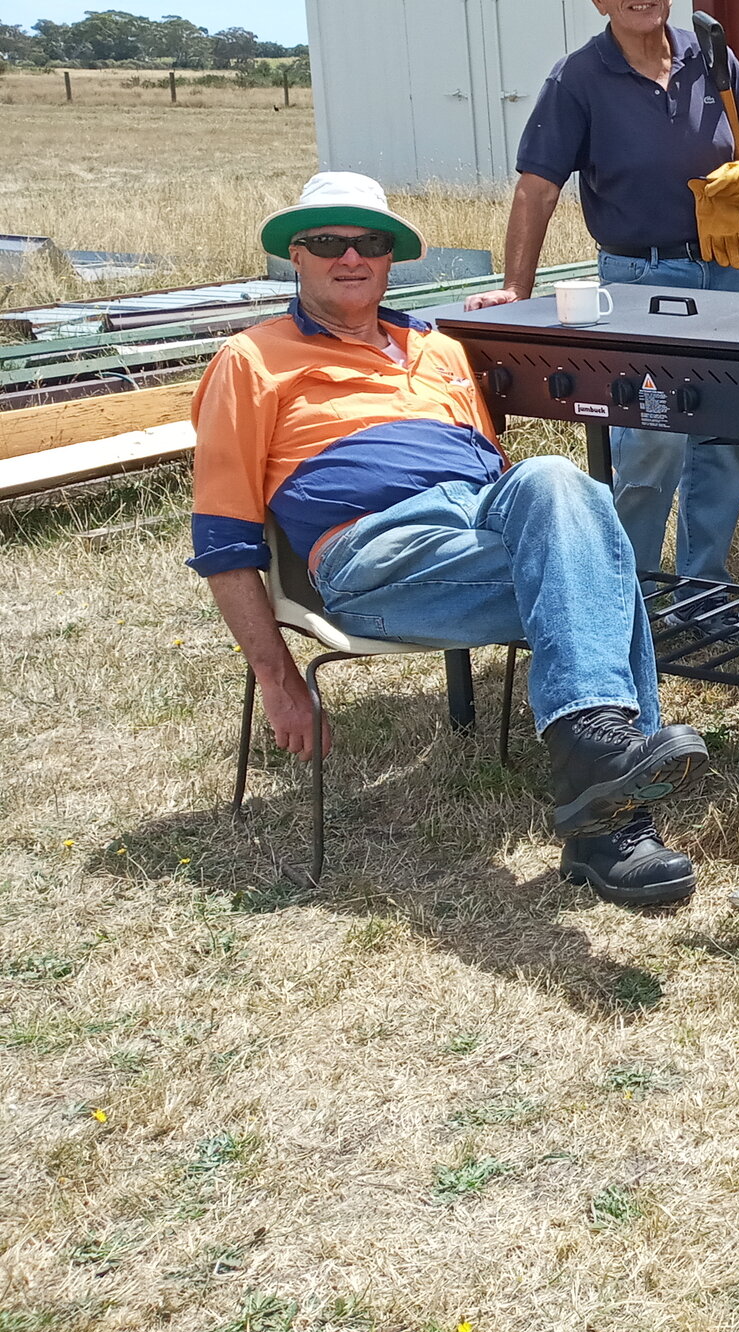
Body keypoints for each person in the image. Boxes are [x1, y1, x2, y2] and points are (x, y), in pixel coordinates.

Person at [191, 173, 709, 907]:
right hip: (376, 554)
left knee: (563, 485)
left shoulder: (437, 348)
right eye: (328, 241)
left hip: (475, 516)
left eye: (368, 241)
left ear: (389, 258)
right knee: (601, 556)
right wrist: (278, 681)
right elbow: (223, 538)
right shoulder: (250, 360)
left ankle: (594, 758)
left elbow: (498, 476)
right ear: (295, 257)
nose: (350, 255)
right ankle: (612, 819)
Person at [465, 0, 739, 583]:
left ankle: (702, 586)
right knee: (651, 441)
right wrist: (516, 291)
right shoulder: (579, 78)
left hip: (729, 269)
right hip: (641, 279)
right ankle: (625, 592)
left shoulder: (712, 59)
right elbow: (537, 189)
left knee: (731, 441)